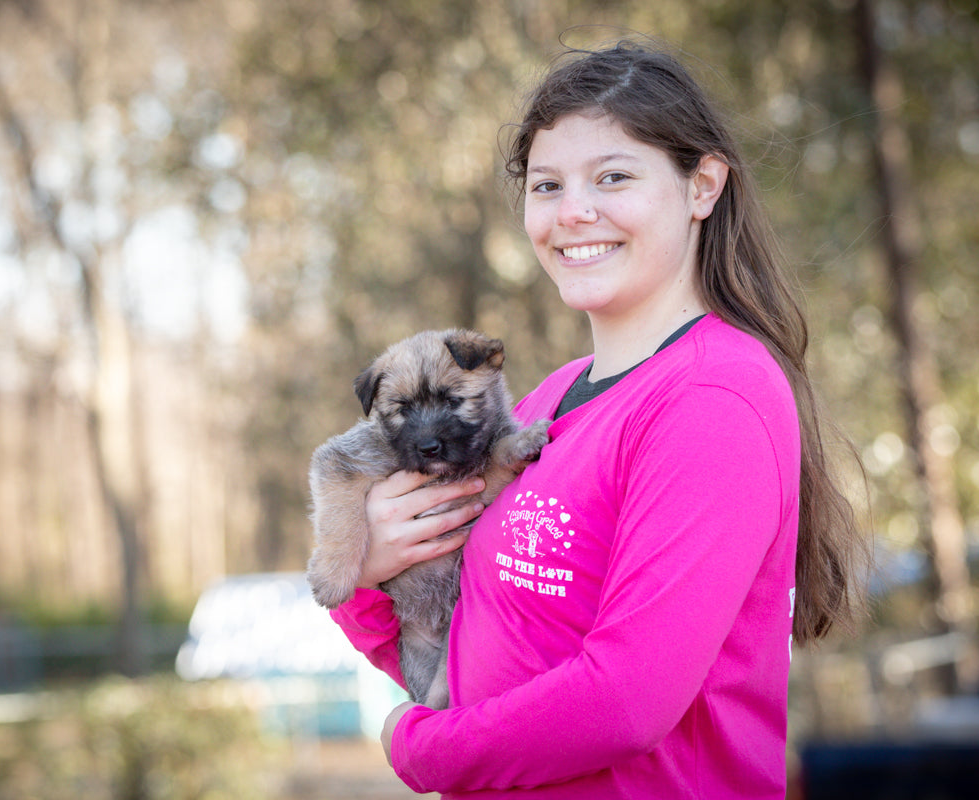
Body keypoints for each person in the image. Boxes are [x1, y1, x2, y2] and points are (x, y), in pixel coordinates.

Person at [327, 40, 867, 798]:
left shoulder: (714, 397)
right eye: (547, 185)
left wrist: (422, 748)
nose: (574, 211)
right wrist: (367, 576)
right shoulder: (545, 402)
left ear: (702, 186)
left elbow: (625, 700)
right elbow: (474, 655)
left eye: (613, 176)